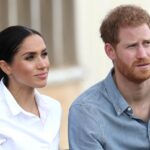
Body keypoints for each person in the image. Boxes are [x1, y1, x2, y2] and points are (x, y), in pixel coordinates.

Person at [68, 4, 150, 150]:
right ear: (110, 51)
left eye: (147, 43)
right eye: (132, 46)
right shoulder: (86, 112)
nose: (143, 54)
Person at [0, 25, 61, 150]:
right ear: (6, 67)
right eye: (30, 57)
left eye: (44, 54)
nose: (43, 65)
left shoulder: (53, 108)